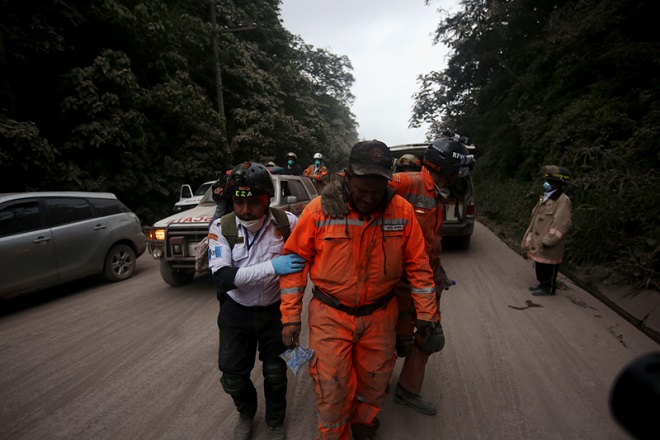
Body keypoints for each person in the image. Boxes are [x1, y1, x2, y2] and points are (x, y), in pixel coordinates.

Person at [279, 140, 441, 440]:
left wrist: (427, 316)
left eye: (376, 192)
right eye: (361, 190)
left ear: (387, 183)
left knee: (375, 378)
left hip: (381, 316)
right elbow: (295, 263)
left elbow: (419, 267)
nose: (368, 199)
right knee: (332, 384)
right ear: (347, 176)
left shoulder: (402, 212)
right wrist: (290, 317)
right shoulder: (319, 211)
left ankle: (364, 423)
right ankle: (333, 433)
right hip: (330, 315)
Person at [321, 135, 475, 416]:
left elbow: (428, 240)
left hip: (422, 278)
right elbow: (363, 179)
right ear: (449, 169)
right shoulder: (411, 182)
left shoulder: (438, 194)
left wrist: (436, 268)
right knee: (393, 340)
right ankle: (370, 387)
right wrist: (334, 185)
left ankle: (405, 390)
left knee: (429, 337)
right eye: (458, 170)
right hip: (398, 283)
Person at [208, 161, 306, 440]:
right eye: (238, 203)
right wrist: (273, 267)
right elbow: (223, 279)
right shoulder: (220, 227)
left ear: (267, 199)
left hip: (275, 313)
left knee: (275, 373)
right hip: (236, 313)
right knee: (233, 377)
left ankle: (275, 422)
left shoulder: (288, 224)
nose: (245, 210)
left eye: (254, 202)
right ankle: (246, 413)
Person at [521, 165, 572, 296]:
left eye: (551, 181)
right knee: (540, 263)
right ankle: (542, 284)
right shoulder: (546, 197)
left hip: (549, 240)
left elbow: (561, 222)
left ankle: (548, 287)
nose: (547, 183)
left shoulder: (562, 201)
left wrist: (549, 239)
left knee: (549, 264)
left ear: (558, 184)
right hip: (540, 238)